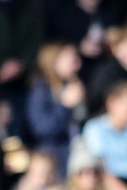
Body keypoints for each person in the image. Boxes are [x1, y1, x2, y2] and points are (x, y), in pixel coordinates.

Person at [24, 42, 86, 174]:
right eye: (72, 59)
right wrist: (64, 106)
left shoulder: (74, 84)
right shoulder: (40, 90)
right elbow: (42, 128)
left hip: (78, 153)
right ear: (54, 61)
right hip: (54, 157)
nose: (78, 65)